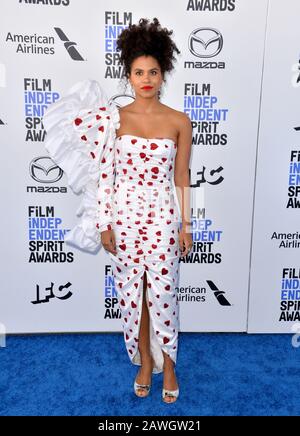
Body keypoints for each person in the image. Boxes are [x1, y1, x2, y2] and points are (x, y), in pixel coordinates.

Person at [43, 17, 193, 404]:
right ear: (128, 75)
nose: (146, 79)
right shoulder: (114, 119)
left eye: (154, 72)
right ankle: (145, 362)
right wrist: (103, 223)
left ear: (164, 74)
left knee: (163, 293)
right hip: (123, 218)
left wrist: (186, 225)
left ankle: (170, 365)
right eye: (138, 72)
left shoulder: (179, 121)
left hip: (162, 216)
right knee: (133, 295)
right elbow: (105, 177)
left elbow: (181, 178)